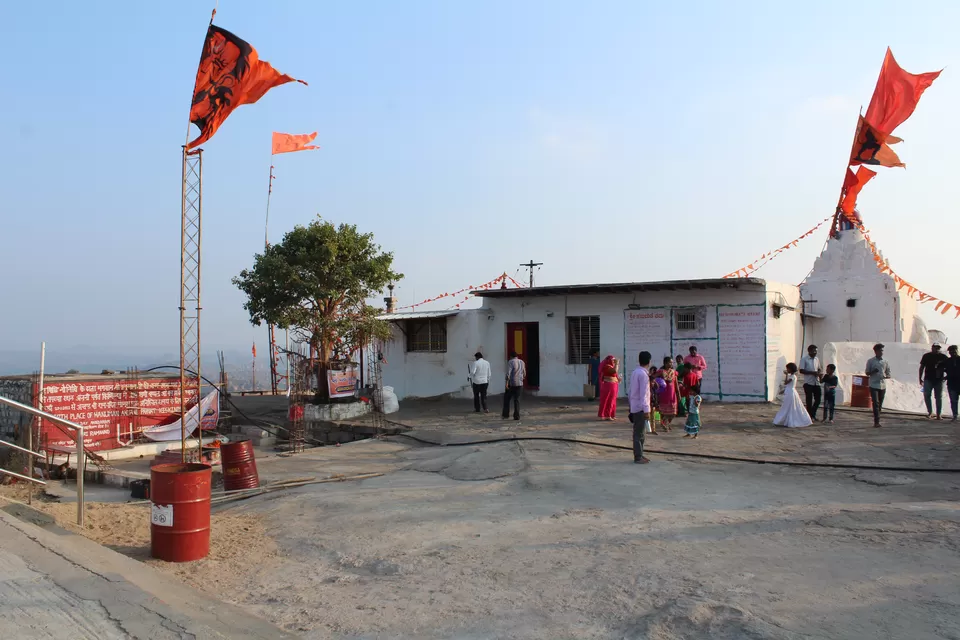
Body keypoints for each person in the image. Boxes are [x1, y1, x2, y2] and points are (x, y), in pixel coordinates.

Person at [628, 351, 652, 464]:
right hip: (641, 407)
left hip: (635, 405)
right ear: (649, 361)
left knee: (640, 432)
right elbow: (644, 394)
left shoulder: (635, 372)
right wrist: (646, 410)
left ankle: (640, 454)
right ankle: (638, 456)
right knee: (639, 433)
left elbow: (631, 391)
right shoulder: (643, 374)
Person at [773, 363, 813, 428]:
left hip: (790, 393)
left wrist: (786, 375)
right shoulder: (792, 376)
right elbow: (788, 385)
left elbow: (786, 383)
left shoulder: (792, 377)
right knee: (787, 406)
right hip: (789, 392)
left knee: (789, 406)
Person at [865, 343, 892, 428]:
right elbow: (867, 373)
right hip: (873, 385)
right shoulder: (870, 361)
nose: (881, 352)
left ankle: (878, 418)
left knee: (880, 403)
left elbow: (888, 373)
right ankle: (876, 421)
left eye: (882, 350)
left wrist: (887, 376)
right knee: (875, 403)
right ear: (876, 351)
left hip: (882, 385)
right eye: (880, 350)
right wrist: (873, 371)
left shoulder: (885, 361)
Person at [919, 343, 948, 420]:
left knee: (938, 397)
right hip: (928, 379)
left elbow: (949, 367)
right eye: (935, 347)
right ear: (932, 348)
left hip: (939, 380)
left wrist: (946, 377)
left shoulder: (943, 357)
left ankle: (938, 414)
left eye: (938, 348)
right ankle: (930, 412)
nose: (937, 349)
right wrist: (920, 378)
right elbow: (922, 367)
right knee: (927, 395)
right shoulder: (926, 356)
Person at [798, 345, 823, 421]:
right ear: (809, 351)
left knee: (818, 400)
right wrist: (812, 373)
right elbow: (801, 370)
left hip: (816, 382)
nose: (815, 352)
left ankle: (812, 413)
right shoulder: (804, 359)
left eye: (816, 351)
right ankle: (809, 416)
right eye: (814, 351)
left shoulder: (816, 359)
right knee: (809, 400)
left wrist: (818, 373)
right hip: (808, 382)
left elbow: (819, 368)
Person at [656, 357, 680, 431]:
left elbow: (676, 383)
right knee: (664, 412)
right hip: (664, 394)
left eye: (672, 362)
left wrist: (678, 393)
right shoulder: (661, 372)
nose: (671, 364)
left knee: (673, 413)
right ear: (665, 363)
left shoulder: (674, 372)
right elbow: (653, 378)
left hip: (672, 394)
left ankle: (665, 423)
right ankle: (665, 424)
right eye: (670, 362)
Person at [502, 351, 525, 421]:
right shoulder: (522, 362)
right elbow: (524, 373)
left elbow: (508, 373)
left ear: (511, 356)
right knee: (517, 400)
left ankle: (506, 414)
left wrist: (506, 383)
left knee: (506, 399)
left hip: (512, 383)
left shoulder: (511, 362)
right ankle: (516, 416)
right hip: (520, 383)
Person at [597, 355, 621, 421]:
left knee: (613, 401)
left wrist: (618, 379)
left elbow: (614, 374)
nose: (613, 361)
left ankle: (611, 414)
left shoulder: (611, 366)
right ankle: (606, 415)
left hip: (613, 385)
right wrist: (617, 364)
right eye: (612, 360)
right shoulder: (606, 366)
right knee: (608, 400)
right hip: (608, 386)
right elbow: (614, 371)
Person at [944, 345, 960, 422]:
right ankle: (955, 415)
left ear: (957, 351)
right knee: (953, 400)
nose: (952, 353)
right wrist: (945, 377)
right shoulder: (948, 361)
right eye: (951, 351)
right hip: (951, 383)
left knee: (954, 400)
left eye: (954, 351)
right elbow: (946, 371)